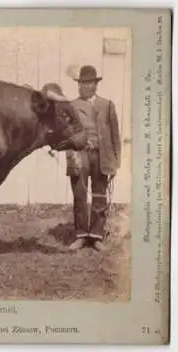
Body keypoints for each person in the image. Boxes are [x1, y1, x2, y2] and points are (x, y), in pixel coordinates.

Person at [66, 65, 121, 251]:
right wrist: (76, 149)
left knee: (100, 195)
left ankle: (97, 236)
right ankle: (81, 235)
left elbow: (115, 136)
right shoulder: (72, 106)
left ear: (95, 85)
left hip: (102, 157)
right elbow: (67, 134)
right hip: (80, 156)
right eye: (81, 83)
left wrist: (115, 162)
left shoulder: (107, 105)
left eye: (87, 83)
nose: (83, 86)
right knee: (80, 195)